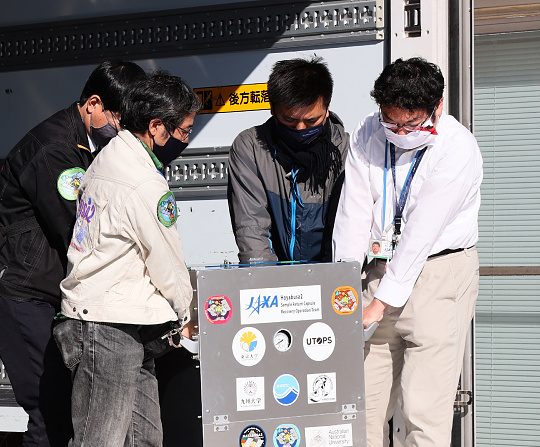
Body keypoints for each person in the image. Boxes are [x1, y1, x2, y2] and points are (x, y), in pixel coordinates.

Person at [332, 58, 482, 446]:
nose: (398, 133)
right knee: (359, 407)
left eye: (410, 125)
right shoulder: (369, 130)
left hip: (438, 274)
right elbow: (353, 211)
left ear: (438, 107)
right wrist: (345, 284)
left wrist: (379, 305)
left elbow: (421, 235)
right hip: (377, 271)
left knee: (422, 413)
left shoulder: (457, 148)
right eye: (391, 123)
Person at [0, 60, 146, 446]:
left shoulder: (93, 144)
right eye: (119, 117)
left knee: (66, 408)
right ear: (93, 104)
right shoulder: (54, 150)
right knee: (47, 410)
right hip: (25, 291)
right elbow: (79, 230)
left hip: (53, 292)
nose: (124, 130)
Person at [53, 72, 200, 446]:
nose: (185, 139)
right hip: (109, 325)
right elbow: (165, 258)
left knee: (144, 437)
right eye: (183, 131)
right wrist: (187, 313)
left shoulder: (107, 159)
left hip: (122, 320)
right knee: (99, 440)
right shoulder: (142, 181)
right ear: (155, 126)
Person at [228, 56, 349, 263]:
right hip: (276, 277)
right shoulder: (251, 147)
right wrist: (266, 280)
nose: (300, 128)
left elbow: (350, 227)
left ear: (327, 110)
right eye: (289, 120)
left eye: (311, 121)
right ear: (273, 108)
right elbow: (251, 226)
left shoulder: (347, 150)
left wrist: (334, 275)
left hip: (332, 271)